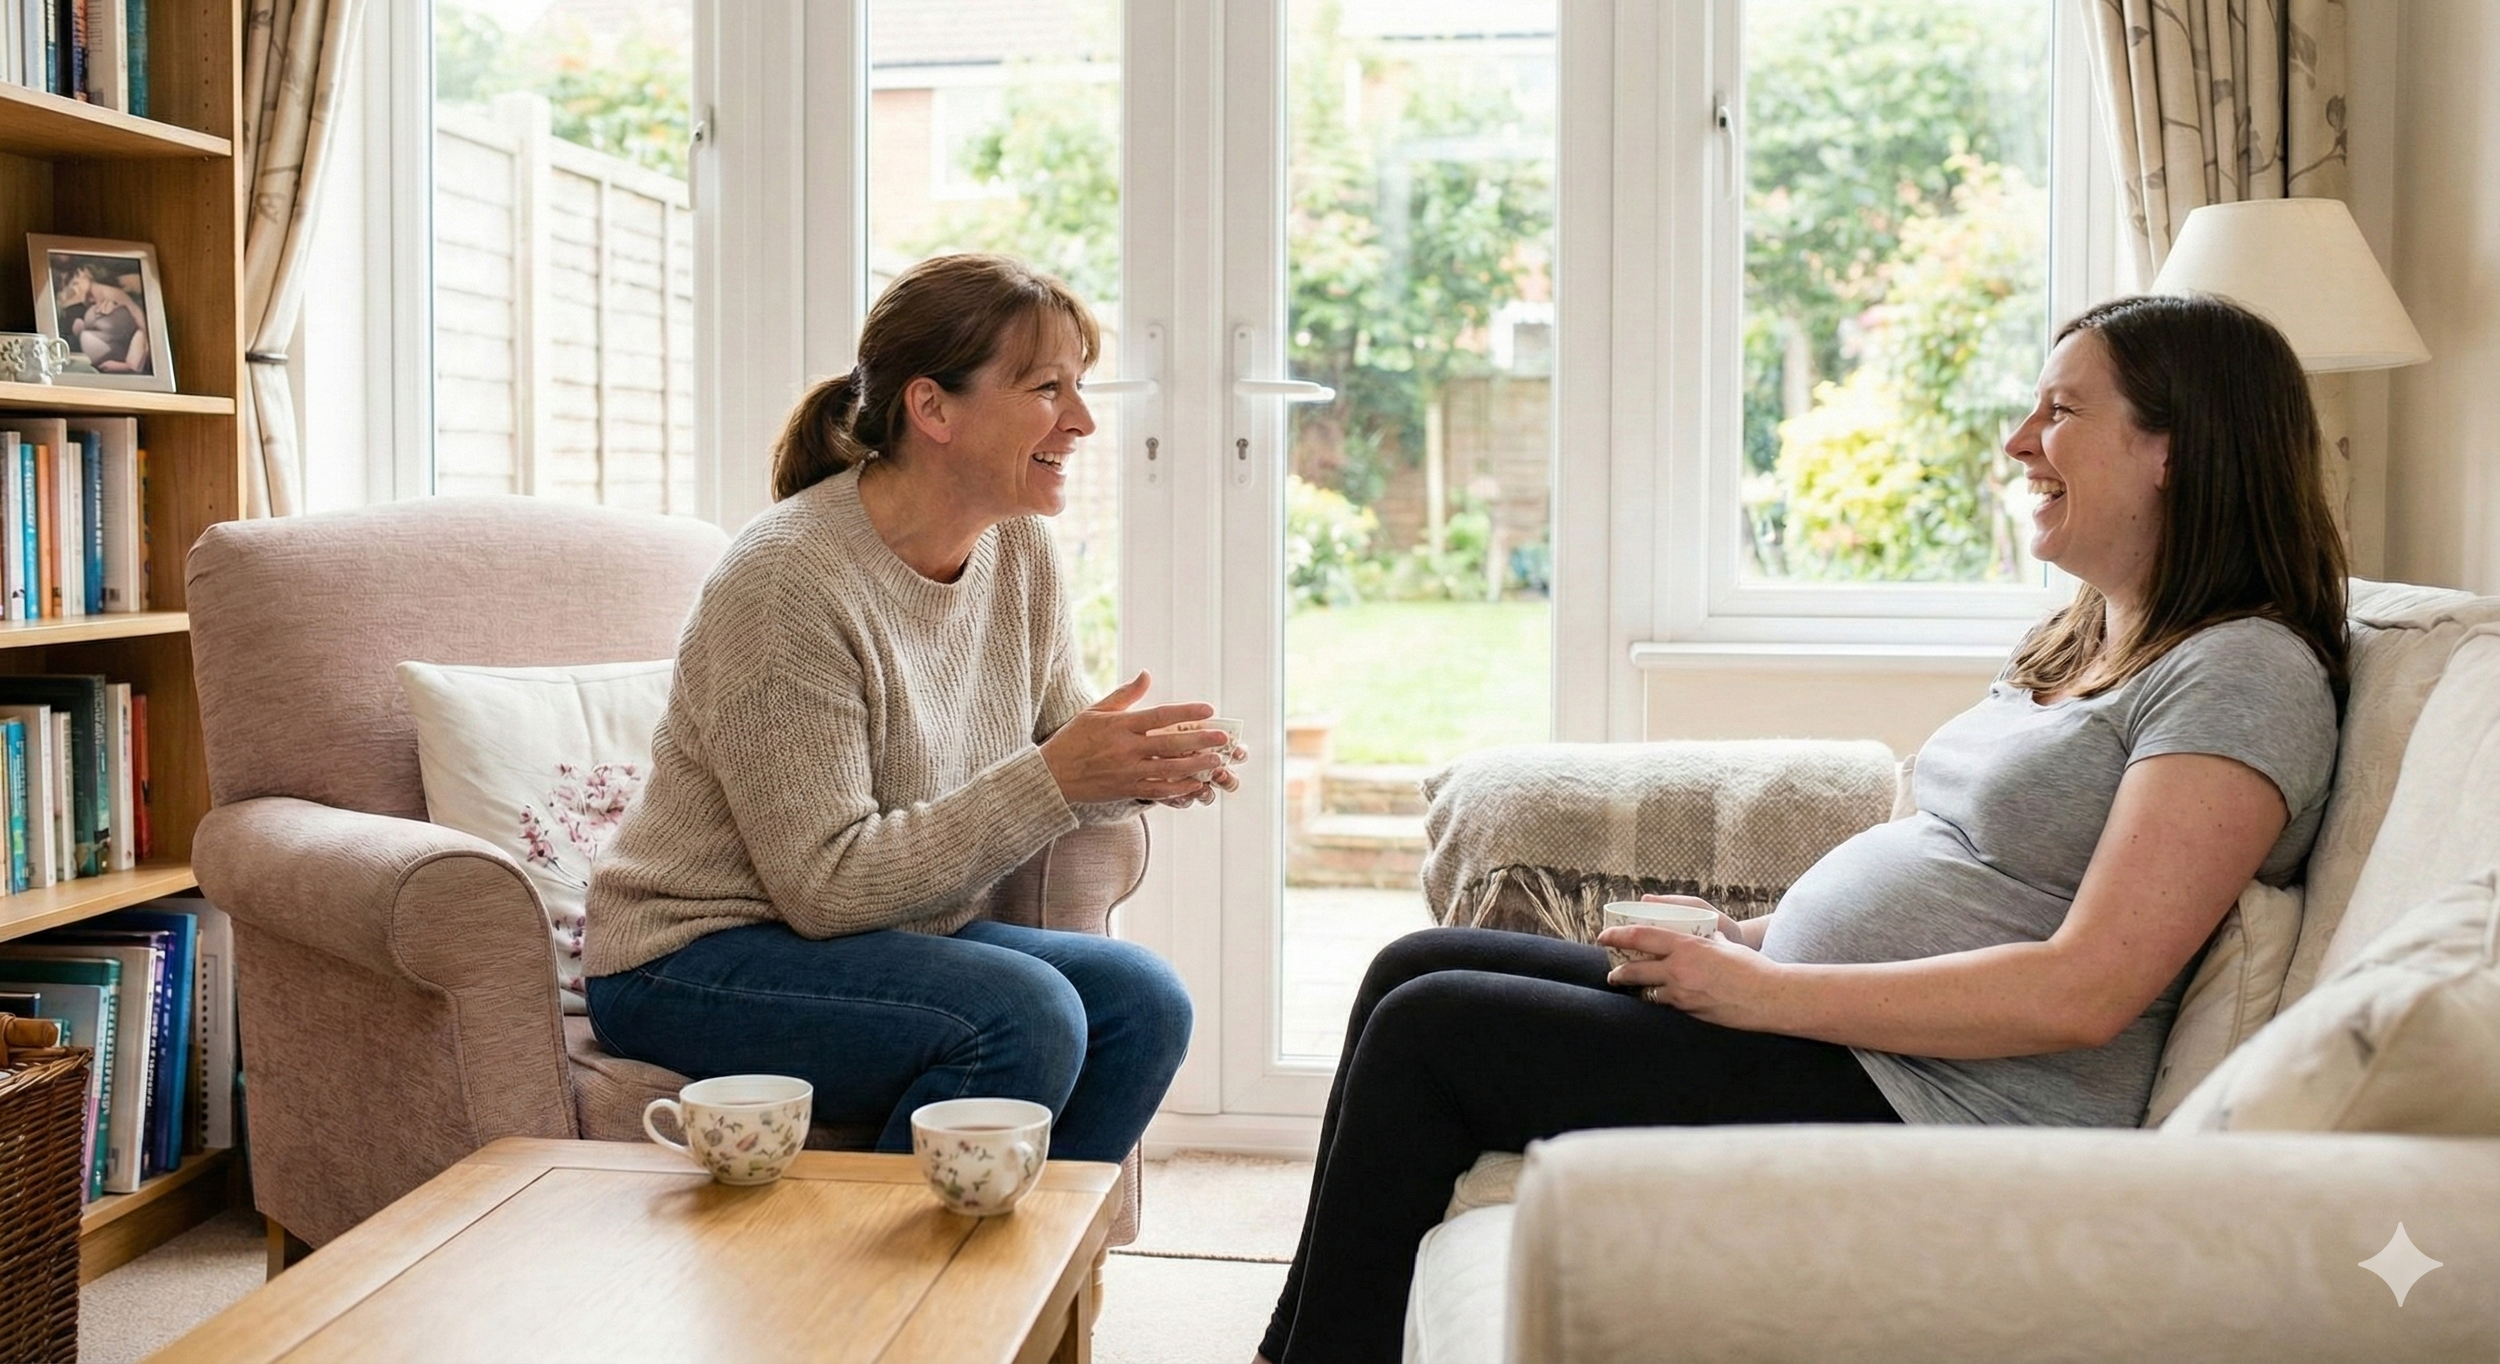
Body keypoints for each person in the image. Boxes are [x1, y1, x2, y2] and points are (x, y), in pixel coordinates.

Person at [1253, 292, 2349, 1363]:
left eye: (2060, 411)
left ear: (2175, 449)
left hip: (1949, 1106)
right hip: (1850, 1039)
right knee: (1416, 961)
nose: (2019, 441)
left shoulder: (2243, 672)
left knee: (1437, 1028)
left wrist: (1766, 992)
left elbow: (2089, 986)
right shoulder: (2086, 636)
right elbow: (1959, 861)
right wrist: (1750, 937)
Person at [584, 253, 1234, 1167]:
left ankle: (1023, 1295)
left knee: (1143, 1000)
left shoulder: (1020, 555)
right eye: (1048, 388)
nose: (1083, 422)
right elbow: (825, 888)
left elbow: (1059, 757)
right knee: (1025, 1013)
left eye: (1079, 389)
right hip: (691, 956)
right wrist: (1059, 776)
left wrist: (1142, 769)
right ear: (932, 408)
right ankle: (878, 1297)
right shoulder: (787, 581)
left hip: (883, 934)